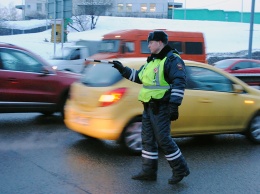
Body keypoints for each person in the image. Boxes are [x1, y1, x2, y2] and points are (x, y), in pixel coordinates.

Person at [112, 30, 190, 185]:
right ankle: (149, 171)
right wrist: (123, 70)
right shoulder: (151, 61)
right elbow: (139, 77)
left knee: (164, 140)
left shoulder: (172, 60)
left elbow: (179, 81)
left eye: (150, 42)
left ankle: (180, 169)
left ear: (160, 42)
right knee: (147, 140)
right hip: (148, 107)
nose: (148, 45)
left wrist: (174, 106)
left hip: (162, 107)